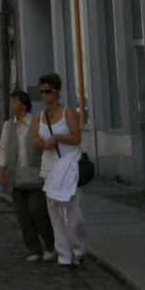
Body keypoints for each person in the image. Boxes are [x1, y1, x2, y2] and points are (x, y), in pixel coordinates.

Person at [33, 72, 88, 267]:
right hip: (49, 168)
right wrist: (42, 144)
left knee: (71, 210)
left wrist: (57, 137)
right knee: (54, 214)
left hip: (69, 165)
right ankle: (64, 255)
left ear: (57, 92)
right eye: (42, 92)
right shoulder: (40, 116)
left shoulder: (68, 112)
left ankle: (78, 249)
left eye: (48, 91)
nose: (45, 95)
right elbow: (35, 140)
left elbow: (76, 137)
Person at [0, 90, 56, 263]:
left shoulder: (37, 122)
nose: (12, 104)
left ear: (24, 104)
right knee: (22, 215)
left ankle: (52, 245)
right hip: (16, 177)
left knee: (36, 209)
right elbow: (2, 150)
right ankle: (34, 249)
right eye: (11, 101)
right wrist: (1, 169)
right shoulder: (9, 126)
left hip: (36, 175)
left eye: (15, 101)